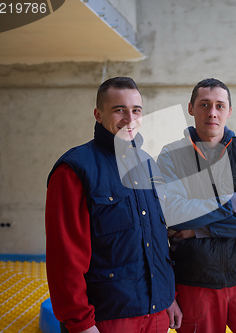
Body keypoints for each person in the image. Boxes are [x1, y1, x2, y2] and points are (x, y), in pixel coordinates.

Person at [45, 77, 182, 333]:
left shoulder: (147, 164)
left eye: (136, 110)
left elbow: (156, 239)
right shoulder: (75, 169)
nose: (130, 119)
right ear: (98, 114)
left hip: (156, 313)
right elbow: (64, 256)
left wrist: (168, 297)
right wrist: (81, 323)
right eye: (119, 110)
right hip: (107, 318)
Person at [156, 78, 236, 332]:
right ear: (191, 108)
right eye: (204, 105)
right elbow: (173, 215)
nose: (212, 112)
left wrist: (199, 230)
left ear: (229, 110)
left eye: (219, 105)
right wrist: (232, 203)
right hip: (195, 282)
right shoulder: (171, 156)